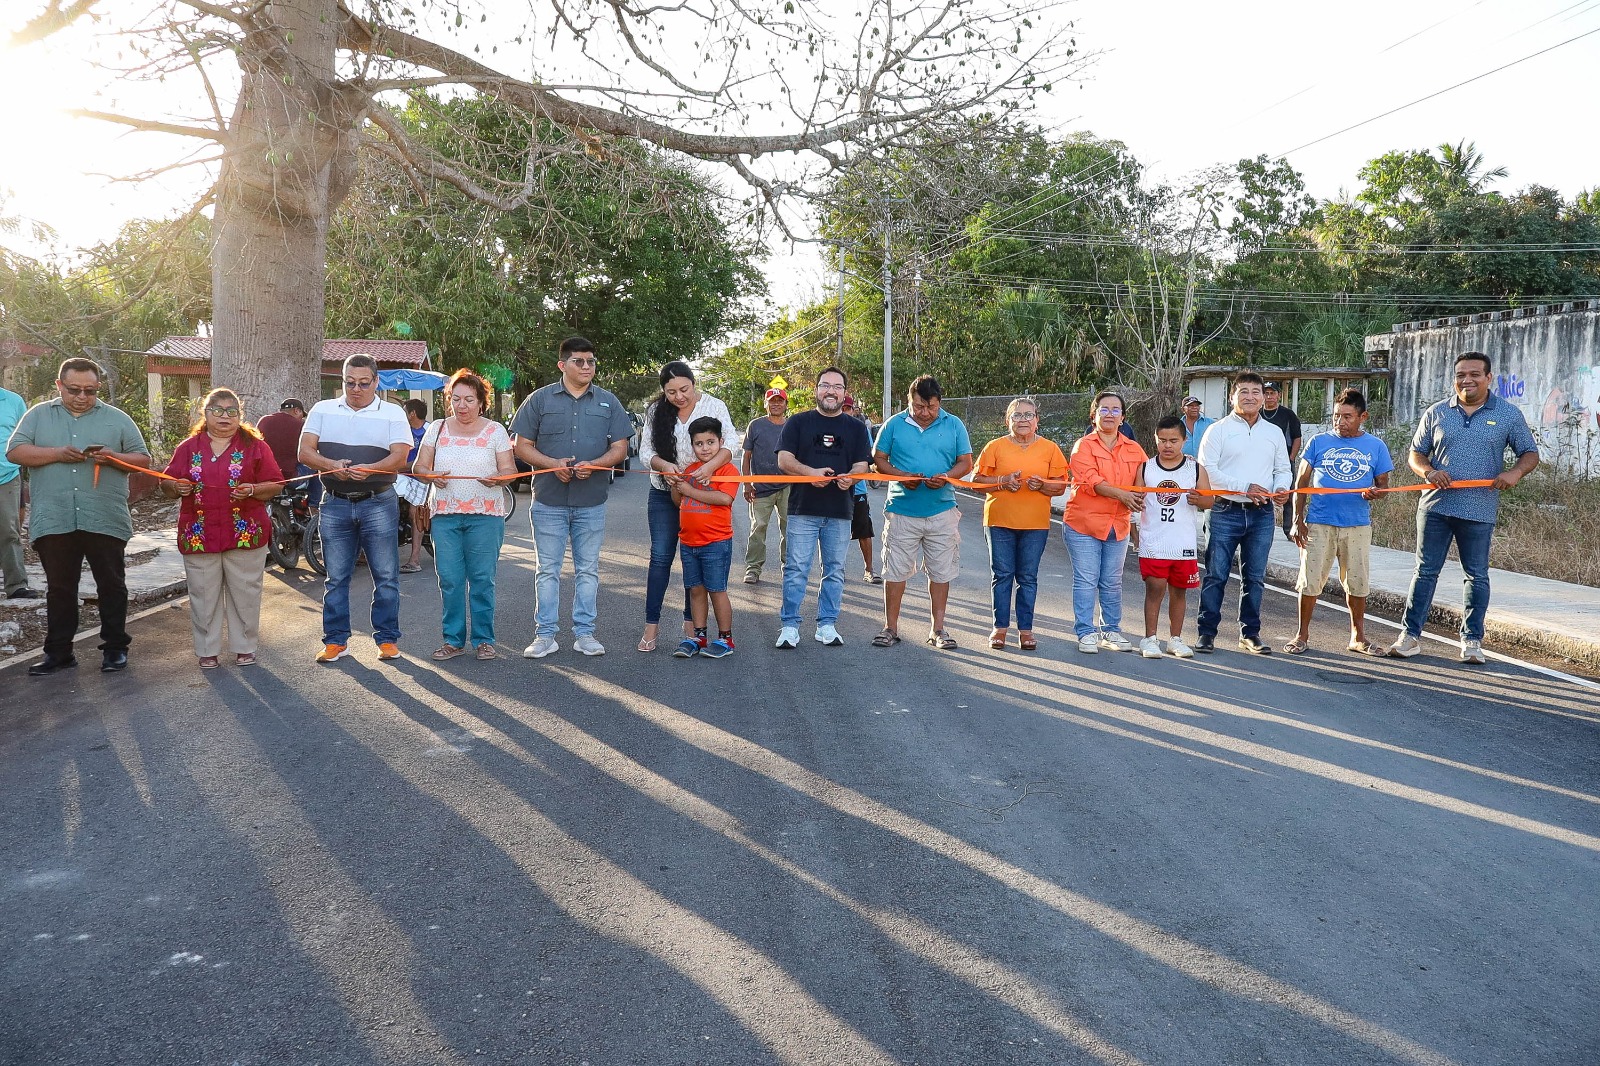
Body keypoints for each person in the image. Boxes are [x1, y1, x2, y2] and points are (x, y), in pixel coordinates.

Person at [1387, 352, 1539, 664]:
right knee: (1425, 572)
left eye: (1473, 374)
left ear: (1488, 378)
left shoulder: (1508, 415)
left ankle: (1471, 642)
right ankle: (1410, 636)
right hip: (1435, 508)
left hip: (1479, 510)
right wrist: (1429, 472)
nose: (1466, 380)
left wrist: (1514, 473)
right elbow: (1416, 453)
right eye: (1460, 375)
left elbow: (1529, 453)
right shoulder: (1437, 412)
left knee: (1477, 576)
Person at [6, 358, 150, 675]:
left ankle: (115, 649)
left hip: (104, 515)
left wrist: (113, 457)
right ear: (59, 386)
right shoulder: (38, 415)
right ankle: (59, 653)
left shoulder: (117, 419)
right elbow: (14, 451)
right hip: (55, 517)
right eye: (74, 390)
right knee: (60, 588)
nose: (82, 396)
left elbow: (144, 459)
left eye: (90, 390)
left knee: (111, 585)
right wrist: (57, 453)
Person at [510, 336, 631, 658]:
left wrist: (597, 465)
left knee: (587, 570)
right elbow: (521, 446)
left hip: (591, 502)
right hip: (549, 501)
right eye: (579, 361)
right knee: (547, 570)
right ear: (563, 365)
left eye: (591, 361)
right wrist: (551, 465)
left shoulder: (608, 402)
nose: (587, 367)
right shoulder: (539, 400)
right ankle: (545, 636)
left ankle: (585, 634)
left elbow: (620, 448)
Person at [299, 353, 413, 663]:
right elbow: (305, 451)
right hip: (334, 502)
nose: (356, 389)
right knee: (335, 578)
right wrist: (330, 465)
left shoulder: (392, 413)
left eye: (364, 383)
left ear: (376, 382)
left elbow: (400, 456)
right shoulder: (323, 409)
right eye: (350, 383)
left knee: (386, 575)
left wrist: (372, 469)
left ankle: (387, 640)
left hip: (378, 500)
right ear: (343, 380)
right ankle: (336, 641)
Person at [161, 388, 284, 668]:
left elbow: (275, 484)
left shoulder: (255, 447)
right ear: (205, 414)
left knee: (246, 592)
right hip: (199, 533)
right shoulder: (188, 448)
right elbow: (165, 482)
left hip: (244, 532)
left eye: (232, 411)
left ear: (240, 415)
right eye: (217, 410)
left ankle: (245, 647)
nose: (224, 417)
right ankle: (207, 649)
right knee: (203, 594)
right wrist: (175, 486)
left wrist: (253, 489)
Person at [411, 369, 516, 661]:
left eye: (469, 399)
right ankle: (453, 640)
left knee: (483, 578)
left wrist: (499, 478)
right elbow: (419, 469)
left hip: (486, 514)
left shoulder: (495, 430)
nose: (462, 405)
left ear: (481, 402)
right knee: (450, 579)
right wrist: (431, 475)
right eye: (456, 399)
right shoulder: (438, 428)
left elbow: (510, 470)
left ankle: (484, 640)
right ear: (449, 401)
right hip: (445, 514)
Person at [638, 360, 739, 652]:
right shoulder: (655, 411)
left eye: (684, 389)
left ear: (694, 384)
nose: (679, 397)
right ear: (663, 392)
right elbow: (646, 451)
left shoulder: (714, 405)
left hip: (703, 492)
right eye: (671, 392)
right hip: (665, 492)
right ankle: (651, 627)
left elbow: (729, 442)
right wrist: (665, 467)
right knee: (660, 557)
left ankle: (694, 628)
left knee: (692, 560)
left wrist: (709, 469)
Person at [1285, 389, 1393, 655]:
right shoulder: (1318, 442)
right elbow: (1302, 482)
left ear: (1362, 417)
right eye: (1336, 416)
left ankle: (1358, 637)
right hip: (1319, 522)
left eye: (1347, 417)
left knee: (1357, 581)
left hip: (1356, 524)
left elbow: (1383, 486)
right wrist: (1298, 518)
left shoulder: (1376, 446)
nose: (1340, 422)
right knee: (1310, 580)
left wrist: (1373, 492)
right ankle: (1301, 635)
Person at [870, 375, 973, 650]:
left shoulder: (953, 424)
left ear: (940, 403)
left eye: (931, 407)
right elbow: (878, 458)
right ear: (909, 401)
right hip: (902, 510)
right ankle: (890, 628)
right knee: (895, 571)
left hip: (942, 511)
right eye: (918, 407)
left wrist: (947, 476)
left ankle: (938, 629)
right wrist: (903, 477)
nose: (925, 413)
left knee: (941, 572)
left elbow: (966, 462)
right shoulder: (894, 424)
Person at [1195, 372, 1292, 655]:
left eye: (1255, 392)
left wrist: (1281, 489)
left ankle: (1250, 633)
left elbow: (1282, 469)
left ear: (1264, 397)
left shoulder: (1273, 432)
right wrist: (1244, 487)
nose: (1250, 397)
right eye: (1244, 392)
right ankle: (1206, 632)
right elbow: (1207, 472)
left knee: (1255, 577)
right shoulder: (1218, 430)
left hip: (1262, 514)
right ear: (1232, 397)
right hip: (1225, 511)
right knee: (1216, 574)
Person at [775, 367, 871, 649]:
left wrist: (852, 477)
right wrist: (809, 473)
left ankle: (827, 625)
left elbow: (862, 463)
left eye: (837, 386)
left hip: (840, 511)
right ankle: (789, 626)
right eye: (825, 385)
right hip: (803, 510)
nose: (831, 391)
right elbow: (783, 459)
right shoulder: (798, 422)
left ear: (845, 393)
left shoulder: (855, 428)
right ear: (816, 390)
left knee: (835, 570)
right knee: (795, 569)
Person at [971, 396, 1067, 651]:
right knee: (1002, 575)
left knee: (1028, 577)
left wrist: (1043, 485)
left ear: (1036, 420)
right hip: (999, 521)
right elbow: (976, 480)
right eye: (1017, 415)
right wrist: (1002, 480)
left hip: (1035, 524)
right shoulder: (995, 446)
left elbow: (1060, 485)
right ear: (1007, 420)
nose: (1023, 420)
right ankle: (999, 628)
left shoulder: (1050, 448)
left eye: (1028, 415)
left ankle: (1026, 630)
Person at [1063, 391, 1147, 653]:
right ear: (1094, 414)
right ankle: (1086, 632)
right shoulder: (1083, 446)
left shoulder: (1134, 449)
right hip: (1083, 524)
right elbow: (1091, 480)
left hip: (1118, 524)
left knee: (1112, 581)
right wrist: (1123, 494)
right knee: (1087, 579)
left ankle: (1111, 630)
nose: (1109, 414)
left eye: (1115, 410)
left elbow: (1145, 478)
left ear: (1122, 417)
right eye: (1104, 409)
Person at [1135, 416, 1213, 658]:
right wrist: (1135, 534)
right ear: (1156, 440)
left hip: (1183, 543)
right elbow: (1135, 502)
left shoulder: (1195, 468)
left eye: (1173, 441)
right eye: (1162, 441)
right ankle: (1149, 639)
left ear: (1184, 440)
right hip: (1154, 541)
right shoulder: (1146, 467)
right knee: (1155, 589)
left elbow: (1209, 500)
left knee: (1179, 591)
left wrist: (1198, 500)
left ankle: (1175, 639)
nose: (1167, 446)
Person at [672, 416, 739, 659]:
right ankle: (698, 637)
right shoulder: (690, 471)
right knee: (695, 590)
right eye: (699, 443)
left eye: (711, 442)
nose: (705, 448)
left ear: (721, 442)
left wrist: (690, 489)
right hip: (689, 543)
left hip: (716, 542)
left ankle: (725, 639)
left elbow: (725, 499)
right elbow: (678, 501)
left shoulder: (728, 470)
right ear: (692, 446)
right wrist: (675, 484)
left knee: (716, 589)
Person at [741, 386, 788, 585]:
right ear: (765, 403)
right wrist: (746, 483)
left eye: (780, 400)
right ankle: (753, 569)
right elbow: (746, 456)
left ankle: (789, 568)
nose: (776, 403)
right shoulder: (756, 425)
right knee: (758, 528)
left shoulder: (792, 425)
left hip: (788, 486)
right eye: (772, 400)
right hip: (760, 488)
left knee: (790, 529)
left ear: (786, 404)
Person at [0, 381, 37, 600]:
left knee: (9, 531)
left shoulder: (13, 401)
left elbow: (25, 438)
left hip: (6, 475)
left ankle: (16, 585)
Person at [843, 393, 881, 584]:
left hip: (857, 490)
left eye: (848, 408)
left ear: (853, 410)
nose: (845, 412)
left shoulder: (860, 430)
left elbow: (869, 458)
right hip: (831, 491)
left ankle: (869, 570)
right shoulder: (824, 428)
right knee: (833, 533)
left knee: (864, 531)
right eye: (842, 408)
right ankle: (835, 570)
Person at [256, 398, 319, 508]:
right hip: (291, 478)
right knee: (316, 465)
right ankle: (315, 506)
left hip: (264, 478)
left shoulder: (263, 420)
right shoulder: (302, 426)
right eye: (301, 415)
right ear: (297, 411)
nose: (302, 418)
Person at [1261, 382, 1303, 538]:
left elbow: (1297, 438)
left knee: (1287, 496)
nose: (1269, 397)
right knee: (1262, 494)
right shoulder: (1257, 414)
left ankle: (1289, 530)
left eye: (1273, 393)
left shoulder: (1288, 414)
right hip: (1262, 462)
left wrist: (1290, 458)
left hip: (1284, 463)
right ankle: (1263, 530)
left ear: (1279, 395)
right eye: (1266, 393)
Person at [399, 397, 433, 573]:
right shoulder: (403, 431)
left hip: (421, 479)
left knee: (415, 512)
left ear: (412, 414)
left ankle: (415, 560)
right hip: (401, 477)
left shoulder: (430, 431)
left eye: (405, 411)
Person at [1180, 396, 1214, 460]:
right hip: (1183, 463)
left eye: (1197, 405)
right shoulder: (1177, 425)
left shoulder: (1210, 423)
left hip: (1205, 463)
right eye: (1190, 405)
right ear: (1183, 409)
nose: (1194, 407)